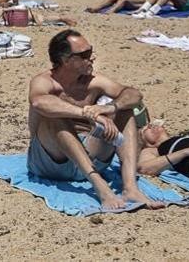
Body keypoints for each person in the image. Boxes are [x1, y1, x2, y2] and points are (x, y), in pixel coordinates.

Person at [27, 30, 161, 210]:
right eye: (85, 55)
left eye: (91, 52)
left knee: (125, 111)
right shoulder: (45, 81)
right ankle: (102, 189)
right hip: (51, 162)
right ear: (66, 60)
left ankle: (130, 188)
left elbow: (134, 94)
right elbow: (38, 101)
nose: (93, 58)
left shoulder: (92, 82)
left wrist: (110, 108)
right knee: (53, 117)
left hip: (90, 154)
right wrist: (87, 113)